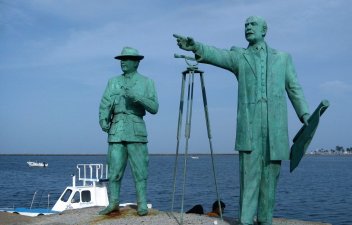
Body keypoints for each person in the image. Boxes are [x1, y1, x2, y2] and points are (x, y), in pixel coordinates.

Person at [174, 16, 310, 225]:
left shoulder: (283, 58)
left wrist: (305, 114)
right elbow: (217, 55)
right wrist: (196, 47)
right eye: (245, 25)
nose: (248, 28)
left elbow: (293, 87)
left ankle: (265, 219)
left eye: (252, 24)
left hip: (275, 129)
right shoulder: (240, 57)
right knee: (249, 176)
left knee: (270, 178)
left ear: (264, 30)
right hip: (249, 127)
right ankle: (245, 220)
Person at [98, 47, 159, 216]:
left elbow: (154, 108)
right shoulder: (113, 82)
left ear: (136, 62)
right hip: (116, 129)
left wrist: (138, 97)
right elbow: (105, 103)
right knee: (114, 170)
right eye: (121, 59)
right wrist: (103, 119)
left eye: (127, 59)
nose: (123, 62)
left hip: (136, 128)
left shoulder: (147, 82)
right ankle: (113, 203)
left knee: (140, 171)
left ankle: (142, 204)